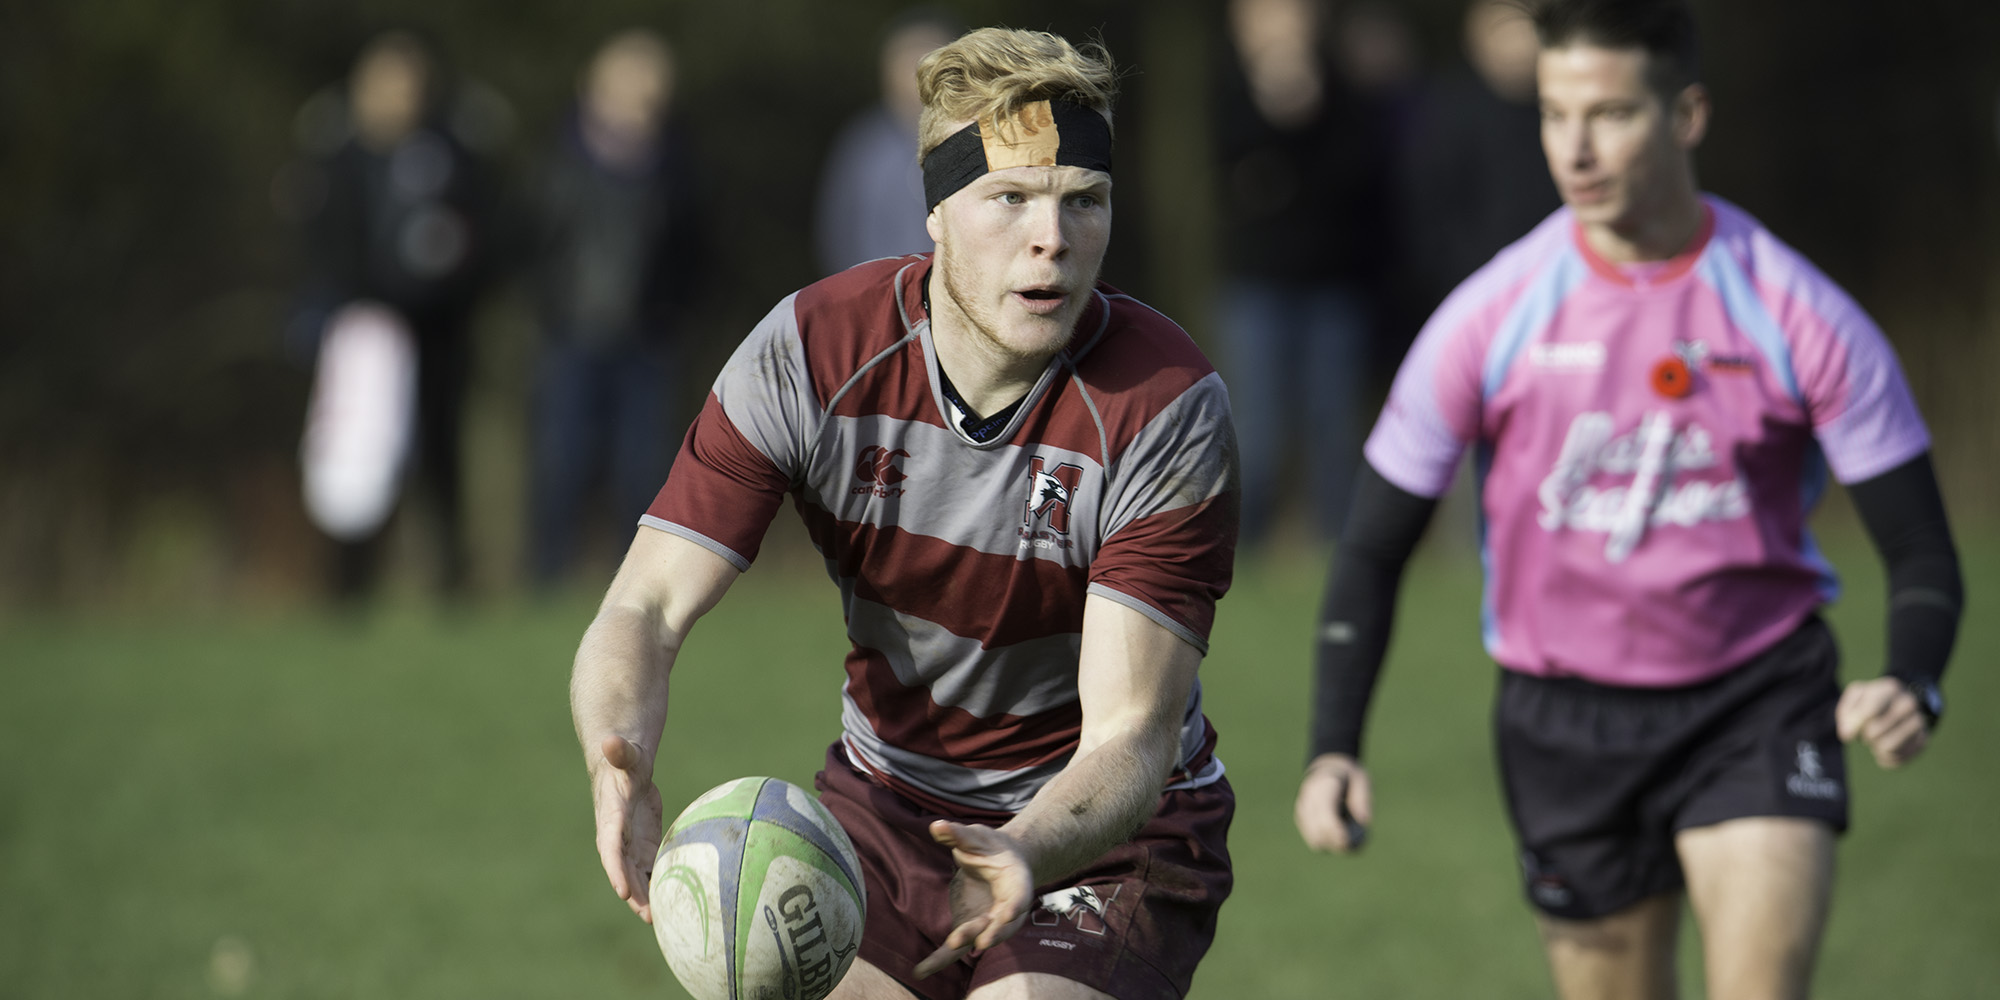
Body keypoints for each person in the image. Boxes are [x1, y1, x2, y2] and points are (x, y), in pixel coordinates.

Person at [1294, 2, 1963, 998]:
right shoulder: (1489, 313)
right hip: (1561, 722)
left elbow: (1918, 549)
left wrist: (1911, 676)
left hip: (1756, 697)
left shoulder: (1792, 308)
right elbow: (1371, 547)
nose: (1574, 146)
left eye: (1607, 113)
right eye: (1552, 113)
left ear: (1683, 114)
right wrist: (1331, 748)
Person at [573, 27, 1239, 1000]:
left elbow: (1128, 737)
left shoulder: (1162, 403)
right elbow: (642, 608)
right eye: (1008, 198)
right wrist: (612, 756)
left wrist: (1023, 847)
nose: (1051, 236)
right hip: (886, 818)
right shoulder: (811, 353)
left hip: (1108, 839)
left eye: (1082, 201)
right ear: (935, 211)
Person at [293, 29, 504, 599]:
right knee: (355, 459)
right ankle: (348, 587)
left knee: (440, 455)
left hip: (435, 333)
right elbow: (320, 244)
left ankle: (450, 581)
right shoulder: (334, 157)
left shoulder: (452, 151)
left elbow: (481, 237)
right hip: (360, 336)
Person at [1211, 0, 1396, 545]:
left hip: (1334, 285)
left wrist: (1303, 116)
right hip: (1255, 285)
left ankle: (1341, 543)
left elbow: (1357, 176)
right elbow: (1233, 175)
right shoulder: (1226, 89)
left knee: (1333, 426)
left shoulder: (1345, 88)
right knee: (1256, 427)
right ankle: (1244, 548)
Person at [526, 29, 705, 587]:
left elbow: (698, 253)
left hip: (648, 339)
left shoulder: (679, 170)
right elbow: (530, 246)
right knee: (563, 461)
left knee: (643, 468)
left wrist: (676, 311)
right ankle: (548, 578)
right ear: (595, 90)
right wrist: (550, 309)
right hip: (571, 335)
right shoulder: (555, 162)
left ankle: (635, 585)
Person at [813, 9, 961, 275]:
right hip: (876, 297)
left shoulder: (977, 137)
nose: (920, 70)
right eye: (909, 58)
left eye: (931, 55)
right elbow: (838, 230)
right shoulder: (864, 146)